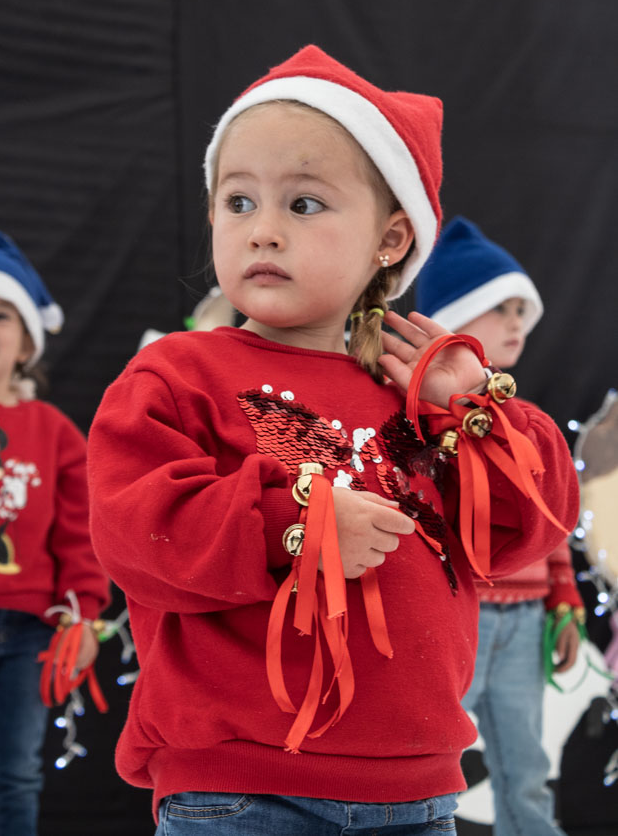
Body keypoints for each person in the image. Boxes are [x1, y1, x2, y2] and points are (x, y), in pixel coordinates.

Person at [87, 46, 579, 836]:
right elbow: (132, 531)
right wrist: (299, 526)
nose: (264, 233)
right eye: (238, 202)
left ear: (389, 241)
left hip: (417, 794)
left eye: (304, 205)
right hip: (241, 788)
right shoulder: (176, 374)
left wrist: (473, 415)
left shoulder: (417, 388)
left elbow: (531, 528)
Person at [416, 216, 585, 836]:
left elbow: (551, 518)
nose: (517, 322)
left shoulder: (523, 418)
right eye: (500, 307)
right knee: (433, 769)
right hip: (461, 618)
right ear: (455, 315)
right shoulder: (420, 419)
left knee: (528, 767)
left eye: (522, 310)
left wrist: (563, 594)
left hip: (526, 618)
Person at [0, 233, 109, 836]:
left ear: (25, 344)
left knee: (15, 774)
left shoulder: (55, 431)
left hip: (28, 630)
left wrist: (83, 615)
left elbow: (80, 535)